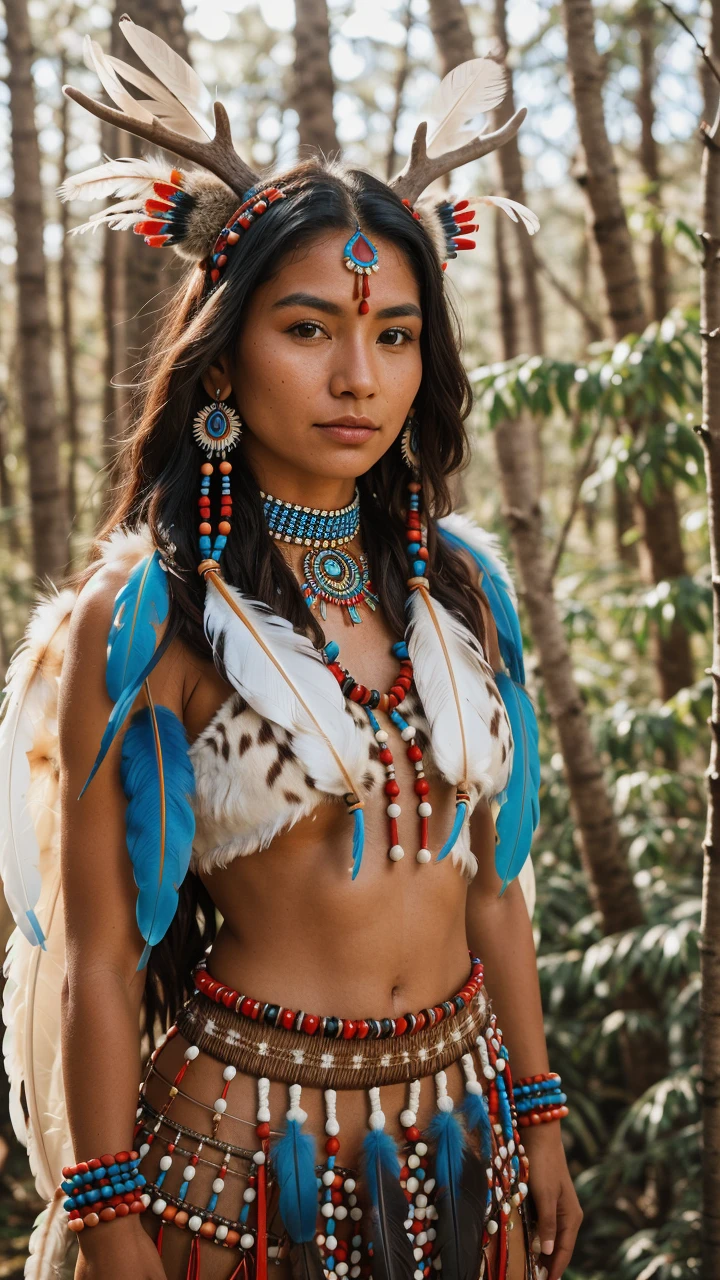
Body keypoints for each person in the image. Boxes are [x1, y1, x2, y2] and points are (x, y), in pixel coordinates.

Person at [0, 20, 582, 1280]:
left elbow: (494, 885)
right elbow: (98, 951)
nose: (358, 377)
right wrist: (105, 1219)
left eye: (395, 334)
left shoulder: (460, 589)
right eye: (309, 328)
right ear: (224, 349)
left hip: (466, 1135)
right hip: (236, 1164)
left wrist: (541, 1113)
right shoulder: (149, 614)